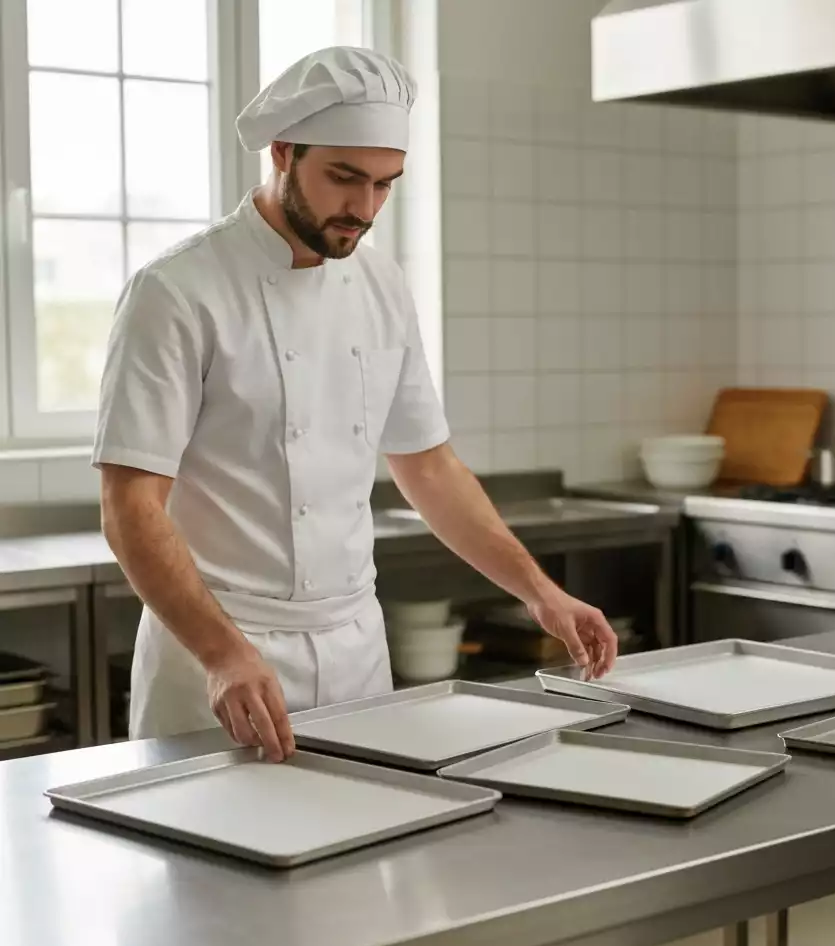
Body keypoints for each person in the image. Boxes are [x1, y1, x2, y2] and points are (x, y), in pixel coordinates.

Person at [93, 46, 618, 763]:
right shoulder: (178, 291)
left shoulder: (380, 285)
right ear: (283, 152)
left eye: (384, 185)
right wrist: (222, 654)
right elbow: (130, 506)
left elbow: (428, 466)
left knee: (359, 866)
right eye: (343, 178)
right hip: (218, 656)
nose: (363, 209)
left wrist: (538, 592)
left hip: (355, 654)